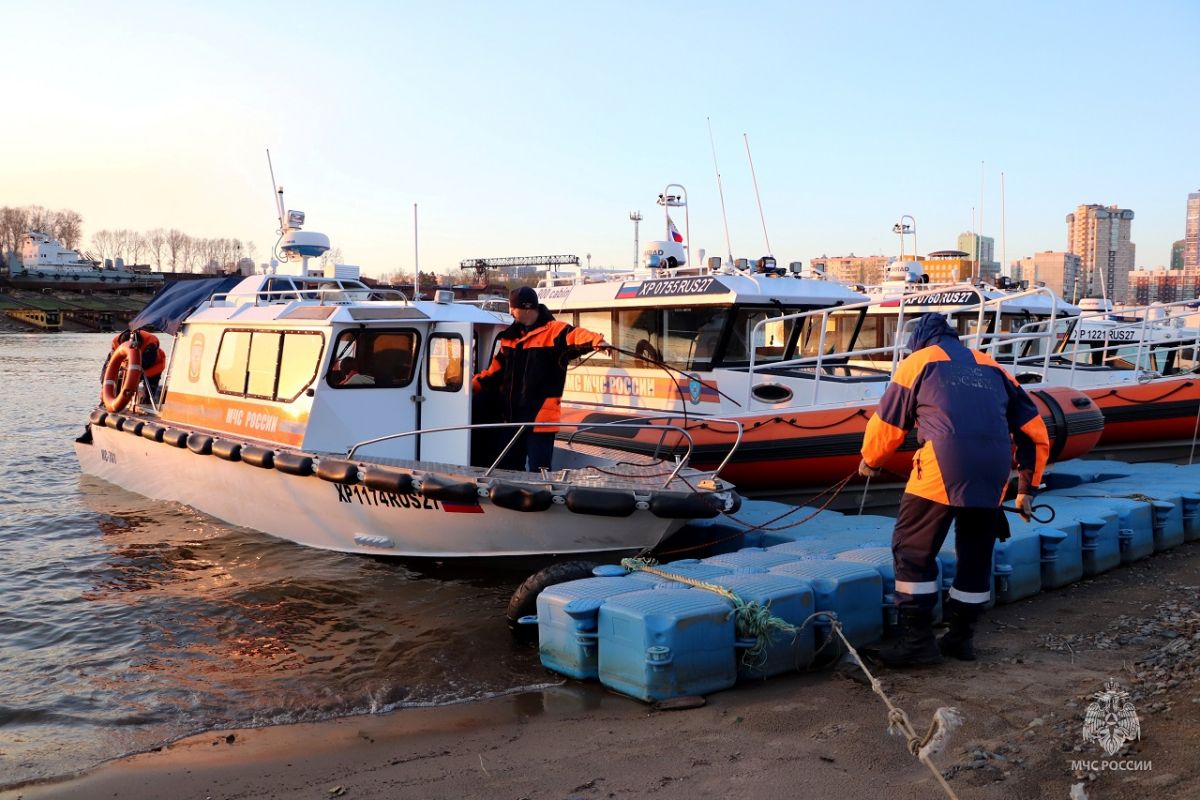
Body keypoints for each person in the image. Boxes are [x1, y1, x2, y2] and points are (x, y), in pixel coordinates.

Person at [858, 312, 1049, 667]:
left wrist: (871, 459)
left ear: (918, 340)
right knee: (975, 553)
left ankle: (917, 642)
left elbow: (889, 422)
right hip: (993, 469)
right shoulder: (993, 366)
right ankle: (961, 638)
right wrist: (1027, 489)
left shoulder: (919, 362)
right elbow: (1034, 430)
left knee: (912, 550)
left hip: (944, 463)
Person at [472, 286, 609, 472]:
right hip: (512, 418)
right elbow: (495, 372)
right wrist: (471, 386)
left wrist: (596, 341)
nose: (510, 312)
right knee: (507, 467)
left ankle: (540, 499)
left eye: (513, 308)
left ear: (527, 308)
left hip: (540, 420)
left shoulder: (554, 332)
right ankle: (511, 500)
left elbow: (575, 335)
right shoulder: (510, 338)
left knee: (540, 469)